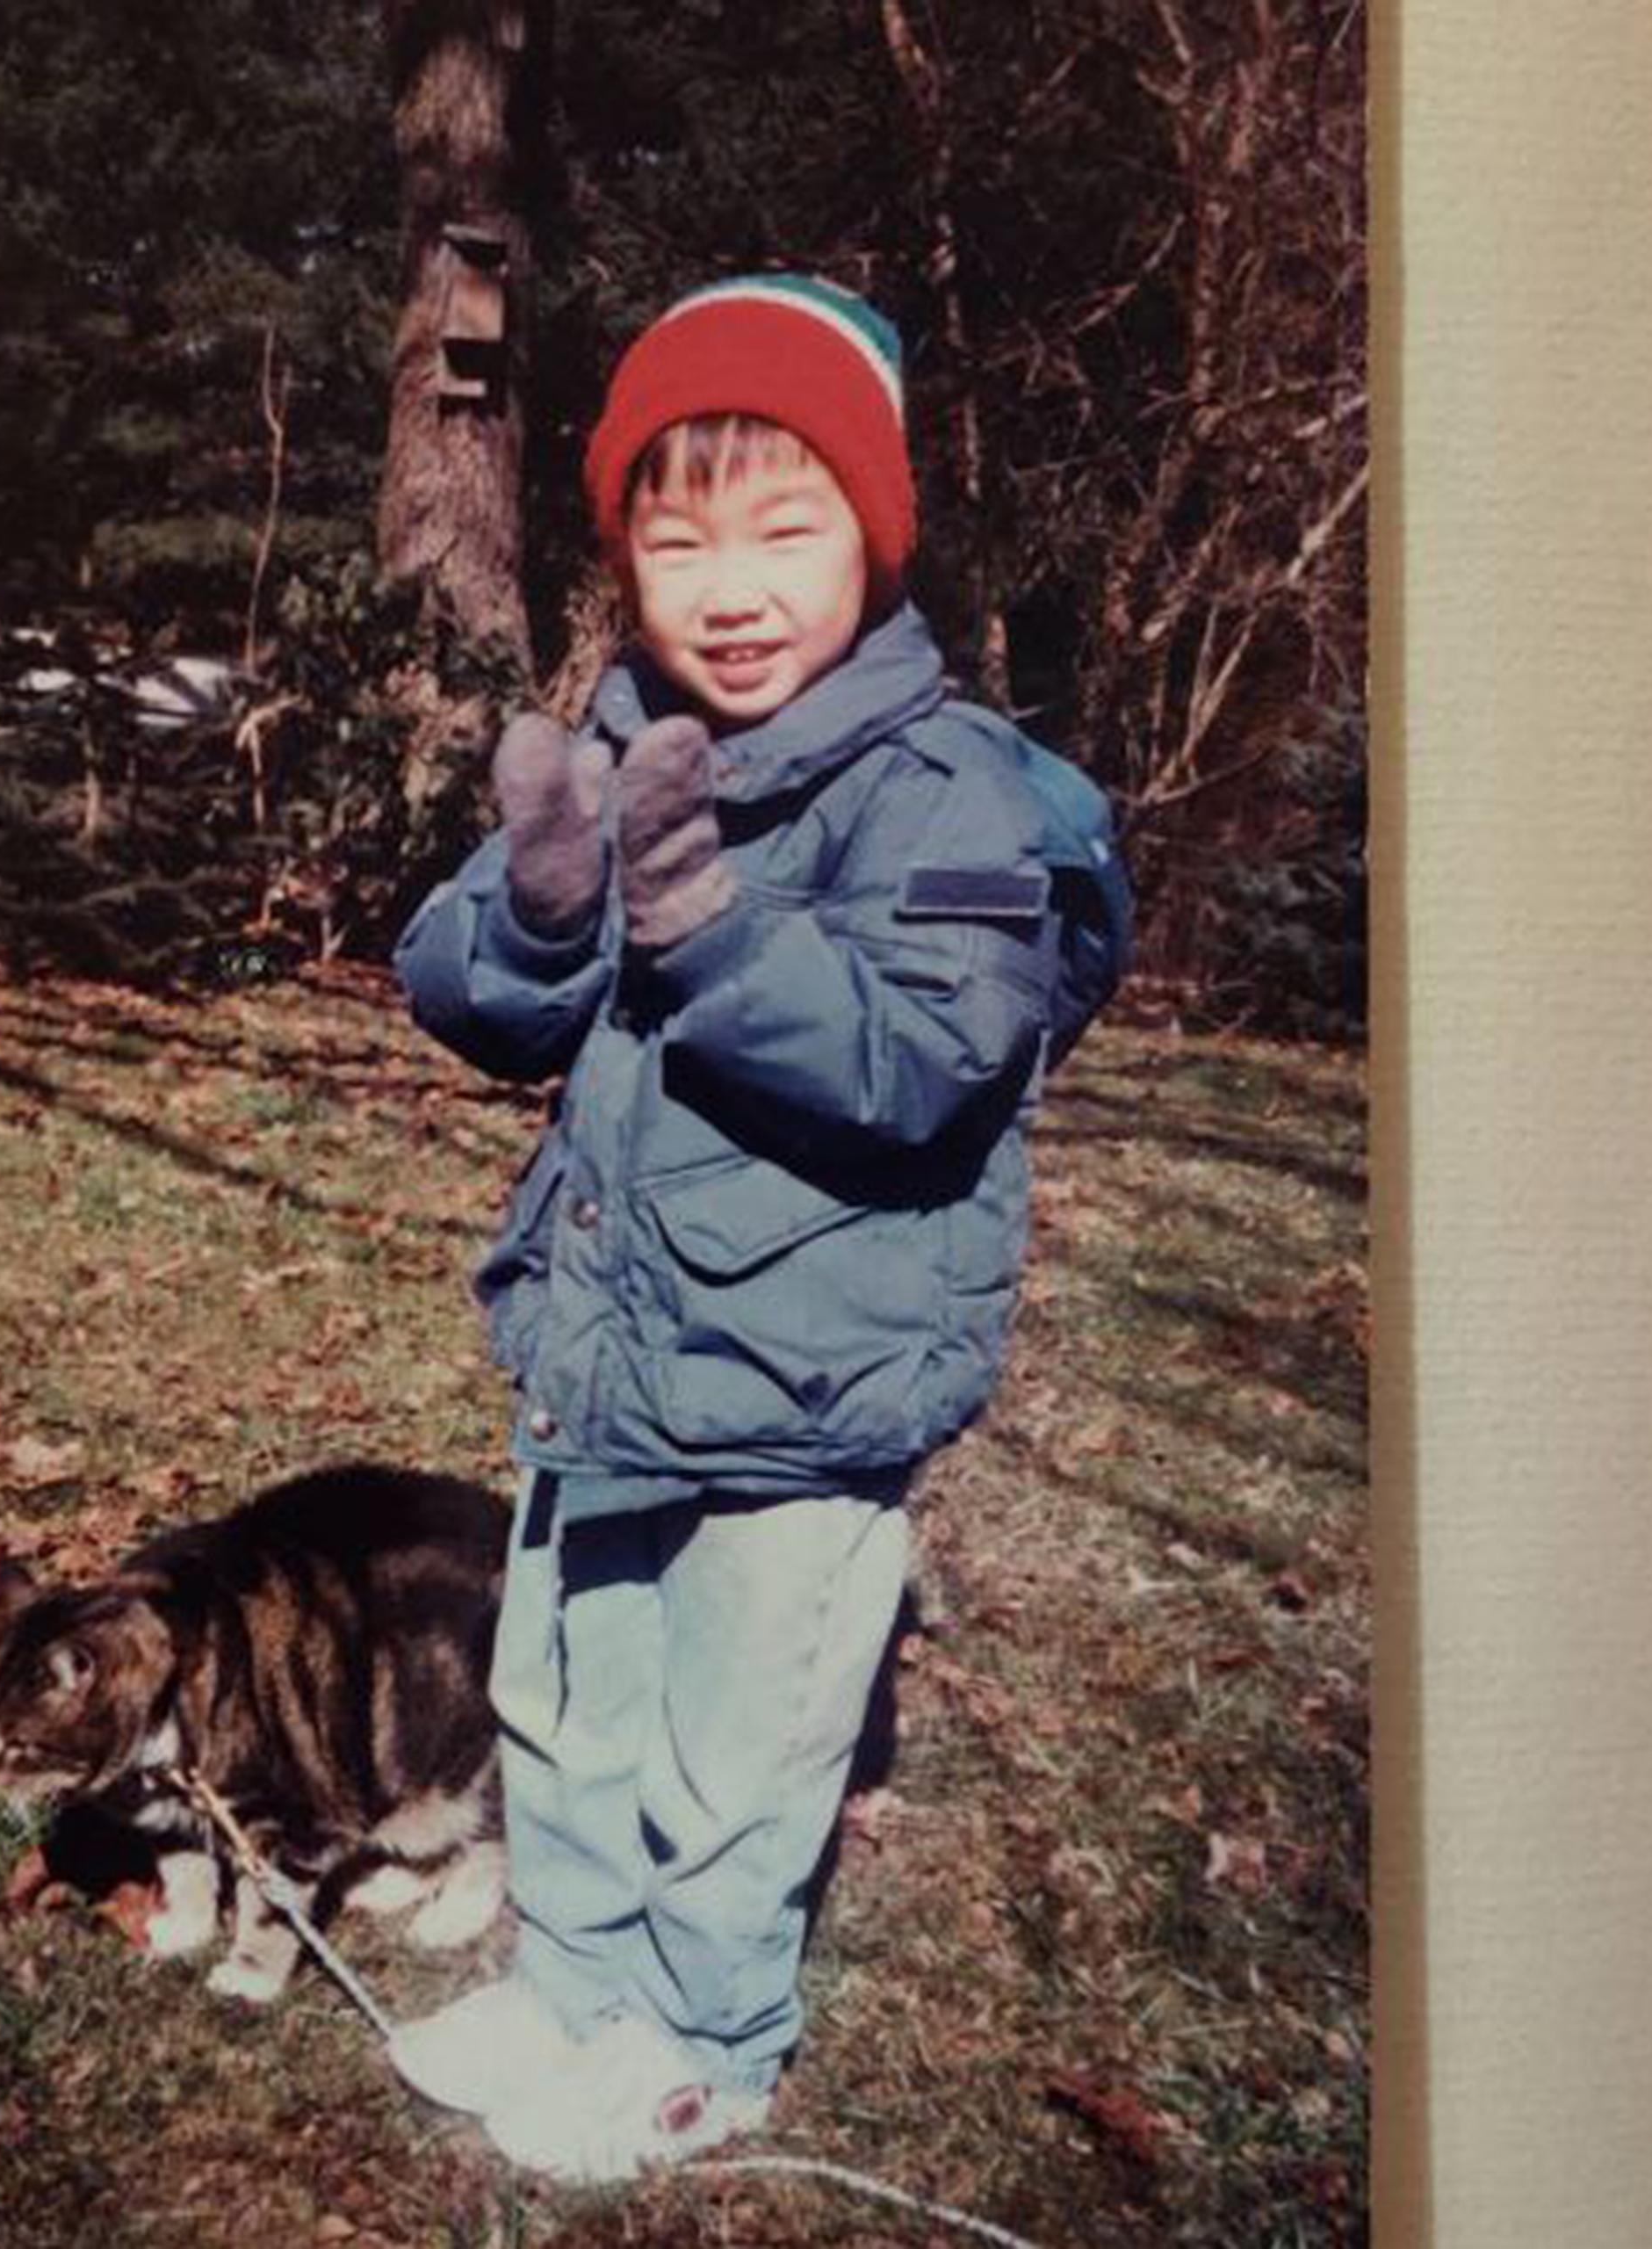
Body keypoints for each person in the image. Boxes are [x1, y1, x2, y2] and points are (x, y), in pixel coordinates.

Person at [385, 274, 1134, 2182]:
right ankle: (576, 1987)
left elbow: (924, 1055)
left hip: (810, 1387)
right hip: (612, 1347)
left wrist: (709, 934)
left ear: (875, 537)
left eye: (787, 531)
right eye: (679, 537)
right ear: (624, 557)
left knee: (740, 1742)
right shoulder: (620, 742)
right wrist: (540, 913)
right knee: (568, 1692)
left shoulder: (949, 787)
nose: (730, 589)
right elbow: (471, 996)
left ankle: (705, 2039)